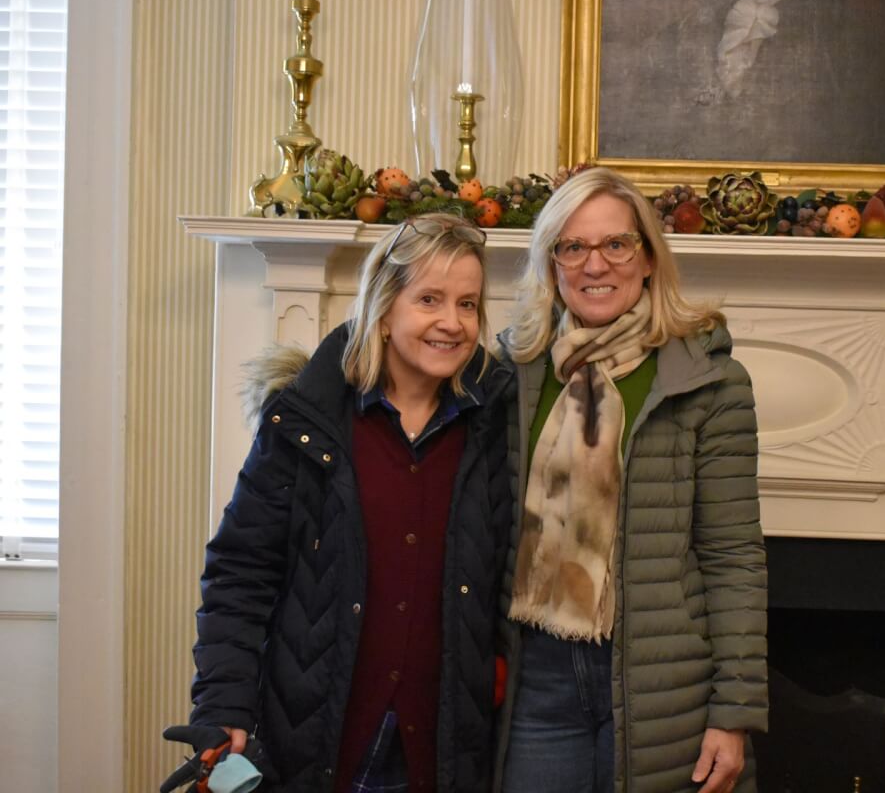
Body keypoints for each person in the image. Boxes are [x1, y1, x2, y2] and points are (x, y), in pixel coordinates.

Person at [187, 213, 511, 792]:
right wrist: (224, 702)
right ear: (385, 309)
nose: (452, 323)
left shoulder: (493, 427)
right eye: (430, 299)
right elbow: (240, 574)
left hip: (443, 748)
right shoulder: (305, 421)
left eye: (468, 304)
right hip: (318, 737)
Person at [494, 167, 768, 793]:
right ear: (552, 265)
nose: (596, 265)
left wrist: (735, 712)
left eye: (616, 244)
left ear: (647, 258)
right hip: (538, 680)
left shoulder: (710, 382)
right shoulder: (514, 374)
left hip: (662, 684)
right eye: (573, 247)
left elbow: (733, 558)